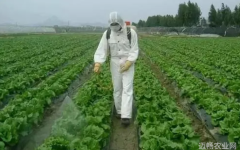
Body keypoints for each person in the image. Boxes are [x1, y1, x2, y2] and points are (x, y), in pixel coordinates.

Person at [93, 12, 139, 126]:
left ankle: (126, 116)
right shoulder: (107, 33)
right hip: (114, 63)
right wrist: (98, 63)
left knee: (127, 88)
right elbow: (102, 49)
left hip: (128, 62)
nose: (114, 26)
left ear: (121, 23)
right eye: (112, 24)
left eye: (116, 24)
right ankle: (119, 111)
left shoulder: (130, 33)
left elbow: (134, 49)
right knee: (117, 88)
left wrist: (129, 62)